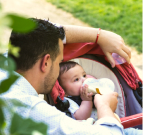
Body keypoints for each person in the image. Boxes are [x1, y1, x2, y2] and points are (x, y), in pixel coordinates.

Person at [0, 18, 134, 135]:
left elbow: (47, 30)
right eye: (59, 62)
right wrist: (105, 106)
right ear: (45, 62)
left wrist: (100, 36)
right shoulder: (28, 109)